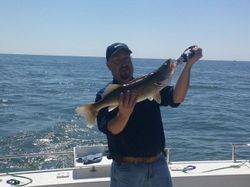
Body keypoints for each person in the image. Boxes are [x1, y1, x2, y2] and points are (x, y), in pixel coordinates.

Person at [95, 42, 202, 187]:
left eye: (126, 58)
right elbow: (110, 129)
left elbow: (177, 97)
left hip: (159, 165)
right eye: (117, 60)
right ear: (108, 65)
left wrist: (189, 65)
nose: (124, 63)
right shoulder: (105, 95)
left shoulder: (150, 84)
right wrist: (124, 115)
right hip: (127, 170)